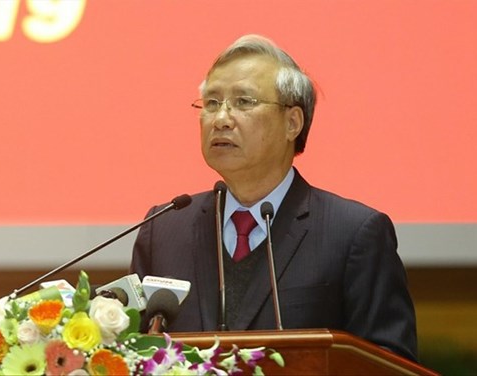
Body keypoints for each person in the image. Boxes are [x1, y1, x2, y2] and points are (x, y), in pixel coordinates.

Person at [129, 34, 418, 361]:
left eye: (243, 102)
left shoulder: (353, 234)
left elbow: (389, 362)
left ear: (292, 122)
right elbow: (135, 353)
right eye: (211, 103)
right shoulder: (165, 229)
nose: (221, 119)